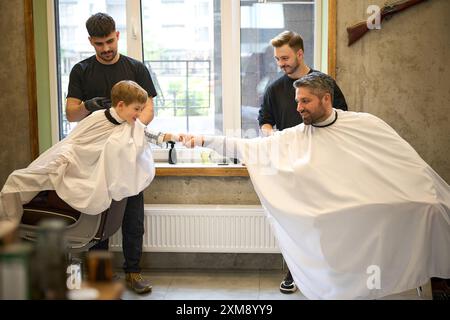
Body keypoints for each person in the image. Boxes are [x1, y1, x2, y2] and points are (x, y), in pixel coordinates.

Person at [181, 72, 450, 299]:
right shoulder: (294, 136)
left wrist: (425, 193)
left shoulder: (365, 124)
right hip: (331, 211)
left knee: (432, 208)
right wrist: (205, 140)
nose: (299, 108)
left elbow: (404, 162)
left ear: (326, 99)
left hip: (371, 202)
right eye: (298, 101)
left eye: (305, 101)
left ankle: (438, 278)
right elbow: (249, 146)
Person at [0, 80, 178, 245]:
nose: (140, 115)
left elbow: (149, 134)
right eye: (137, 109)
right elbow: (74, 143)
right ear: (122, 106)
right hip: (66, 160)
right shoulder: (97, 118)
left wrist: (178, 137)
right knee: (16, 182)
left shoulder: (127, 125)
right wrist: (59, 164)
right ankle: (8, 233)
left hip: (84, 174)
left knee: (15, 181)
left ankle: (9, 233)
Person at [64, 12, 163, 294]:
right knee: (97, 215)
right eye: (99, 44)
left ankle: (133, 273)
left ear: (117, 35)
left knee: (133, 216)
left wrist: (130, 132)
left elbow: (149, 109)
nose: (106, 49)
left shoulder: (136, 69)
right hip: (94, 159)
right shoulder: (81, 71)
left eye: (109, 41)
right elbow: (71, 114)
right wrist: (87, 106)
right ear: (90, 42)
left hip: (129, 156)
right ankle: (99, 277)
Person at [258, 30, 348, 293]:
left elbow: (343, 117)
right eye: (277, 59)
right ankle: (293, 273)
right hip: (290, 167)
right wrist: (269, 136)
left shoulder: (324, 83)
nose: (281, 64)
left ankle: (329, 274)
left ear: (300, 53)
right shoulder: (274, 88)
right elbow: (265, 119)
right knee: (294, 223)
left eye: (285, 58)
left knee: (325, 223)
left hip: (324, 166)